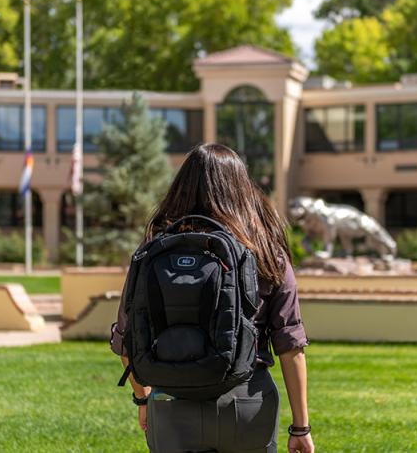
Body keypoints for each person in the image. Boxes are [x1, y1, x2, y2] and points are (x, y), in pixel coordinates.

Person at [110, 143, 315, 453]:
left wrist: (143, 397)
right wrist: (301, 427)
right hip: (248, 400)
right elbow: (290, 344)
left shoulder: (155, 249)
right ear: (242, 187)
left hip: (170, 402)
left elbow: (127, 339)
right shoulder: (266, 249)